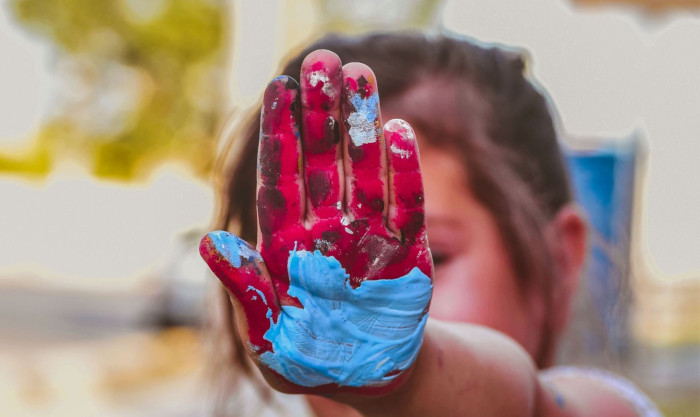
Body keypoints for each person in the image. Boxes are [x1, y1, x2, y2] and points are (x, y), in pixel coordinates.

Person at [200, 32, 661, 417]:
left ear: (560, 262)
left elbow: (524, 401)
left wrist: (405, 376)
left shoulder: (594, 408)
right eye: (295, 277)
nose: (347, 301)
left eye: (436, 255)